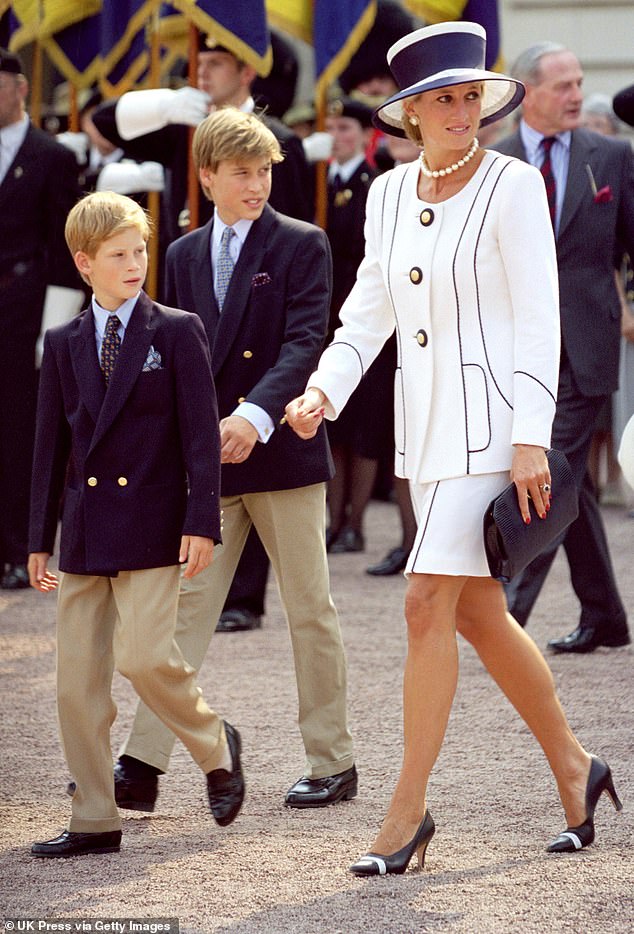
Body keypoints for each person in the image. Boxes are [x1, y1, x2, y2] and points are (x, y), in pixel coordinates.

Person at [285, 21, 622, 875]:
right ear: (409, 112)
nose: (463, 110)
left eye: (472, 95)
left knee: (425, 603)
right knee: (477, 614)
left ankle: (406, 816)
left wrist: (529, 439)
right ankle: (578, 770)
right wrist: (324, 389)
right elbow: (366, 316)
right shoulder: (389, 196)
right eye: (445, 98)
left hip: (497, 435)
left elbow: (538, 317)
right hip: (424, 441)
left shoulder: (512, 186)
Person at [106, 108, 356, 814]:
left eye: (266, 170)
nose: (257, 184)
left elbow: (307, 342)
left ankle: (333, 762)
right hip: (209, 462)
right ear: (207, 176)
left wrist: (253, 416)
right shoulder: (182, 254)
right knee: (183, 616)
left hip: (281, 451)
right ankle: (144, 763)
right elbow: (175, 360)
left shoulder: (303, 243)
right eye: (242, 172)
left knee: (311, 610)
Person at [29, 191, 244, 858]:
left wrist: (202, 519)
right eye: (119, 255)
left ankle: (215, 745)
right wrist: (38, 539)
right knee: (75, 687)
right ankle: (95, 818)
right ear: (84, 263)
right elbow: (48, 447)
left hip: (154, 523)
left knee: (145, 657)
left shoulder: (175, 329)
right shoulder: (63, 341)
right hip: (87, 530)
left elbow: (201, 438)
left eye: (141, 251)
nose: (135, 263)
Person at [94, 31, 314, 635]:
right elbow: (103, 121)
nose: (203, 71)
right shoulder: (187, 126)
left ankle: (246, 595)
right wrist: (167, 103)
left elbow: (293, 245)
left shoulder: (281, 147)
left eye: (215, 62)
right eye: (201, 59)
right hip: (204, 330)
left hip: (266, 351)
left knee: (298, 578)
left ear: (247, 72)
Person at [494, 42, 633, 653]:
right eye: (563, 86)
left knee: (547, 474)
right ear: (527, 93)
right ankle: (605, 615)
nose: (577, 94)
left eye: (580, 82)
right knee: (568, 481)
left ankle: (504, 618)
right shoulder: (490, 164)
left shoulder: (614, 156)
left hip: (585, 347)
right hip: (515, 351)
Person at [0, 47, 82, 590]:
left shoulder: (51, 155)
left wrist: (53, 329)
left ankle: (16, 546)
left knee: (19, 432)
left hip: (25, 308)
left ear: (21, 87)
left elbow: (63, 245)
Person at [322, 97, 380, 553]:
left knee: (362, 428)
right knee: (331, 426)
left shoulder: (371, 183)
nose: (337, 136)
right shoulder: (317, 182)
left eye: (345, 128)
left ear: (363, 135)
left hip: (360, 317)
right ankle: (332, 520)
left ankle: (356, 522)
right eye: (332, 127)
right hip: (323, 318)